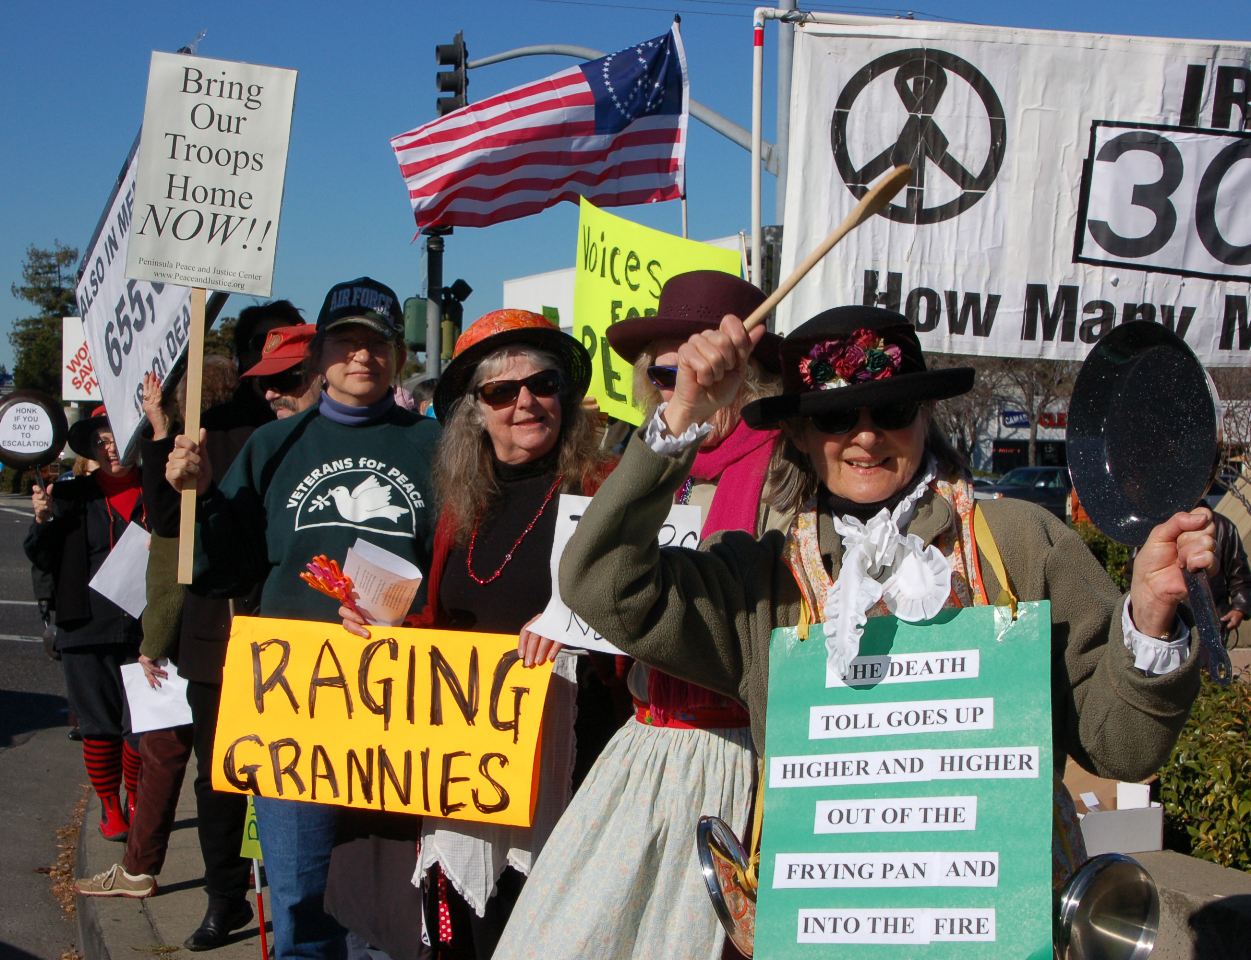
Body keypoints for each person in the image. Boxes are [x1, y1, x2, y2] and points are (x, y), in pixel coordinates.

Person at [560, 306, 1212, 900]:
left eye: (891, 410)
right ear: (800, 433)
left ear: (924, 415)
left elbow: (1121, 748)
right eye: (836, 417)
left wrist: (1149, 617)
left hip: (997, 919)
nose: (866, 438)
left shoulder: (1020, 544)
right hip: (830, 922)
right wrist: (681, 419)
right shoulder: (764, 579)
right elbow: (600, 583)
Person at [493, 272, 785, 960]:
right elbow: (604, 584)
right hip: (650, 751)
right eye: (665, 374)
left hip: (747, 760)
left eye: (704, 370)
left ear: (752, 376)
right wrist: (562, 621)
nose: (684, 388)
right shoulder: (653, 467)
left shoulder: (790, 469)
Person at [165, 278, 441, 960]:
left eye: (378, 343)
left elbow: (457, 564)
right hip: (293, 700)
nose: (362, 356)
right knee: (297, 895)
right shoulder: (273, 445)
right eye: (345, 342)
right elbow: (223, 569)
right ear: (319, 355)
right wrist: (197, 497)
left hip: (398, 701)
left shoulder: (439, 445)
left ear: (398, 356)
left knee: (386, 899)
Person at [334, 309, 615, 960]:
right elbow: (443, 625)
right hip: (471, 767)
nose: (526, 401)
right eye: (502, 391)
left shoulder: (601, 489)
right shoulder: (462, 506)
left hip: (570, 757)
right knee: (473, 931)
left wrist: (572, 623)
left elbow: (642, 607)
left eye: (543, 384)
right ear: (474, 412)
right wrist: (386, 628)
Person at [74, 357, 240, 905]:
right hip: (244, 636)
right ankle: (235, 881)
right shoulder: (254, 447)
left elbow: (170, 566)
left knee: (164, 755)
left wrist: (152, 643)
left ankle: (140, 868)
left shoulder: (187, 462)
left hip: (191, 640)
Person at [26, 407, 147, 845]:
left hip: (146, 626)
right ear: (92, 448)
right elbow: (42, 556)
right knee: (98, 725)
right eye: (101, 440)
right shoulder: (68, 494)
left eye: (119, 437)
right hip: (85, 623)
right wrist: (43, 520)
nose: (110, 448)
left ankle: (137, 798)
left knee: (141, 725)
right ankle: (110, 806)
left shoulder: (161, 489)